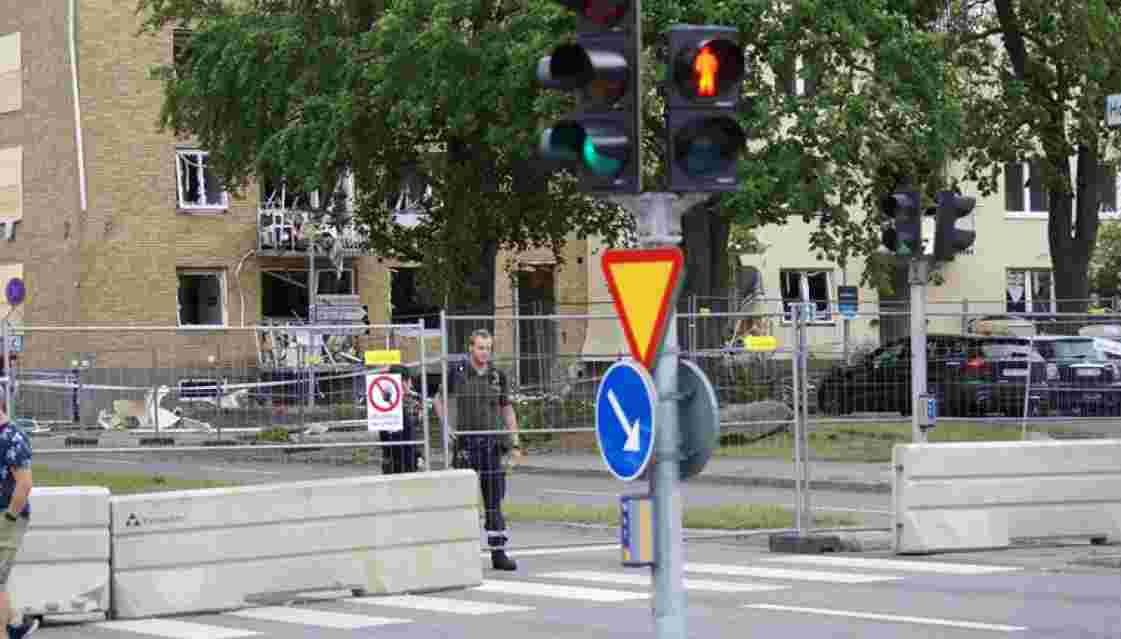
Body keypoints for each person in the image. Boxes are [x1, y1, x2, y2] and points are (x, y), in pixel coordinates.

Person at [434, 329, 522, 571]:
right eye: (480, 347)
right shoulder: (456, 372)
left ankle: (498, 553)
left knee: (494, 502)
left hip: (492, 446)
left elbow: (507, 409)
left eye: (488, 348)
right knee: (461, 501)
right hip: (465, 446)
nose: (484, 352)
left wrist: (515, 441)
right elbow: (439, 400)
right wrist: (447, 426)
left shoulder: (497, 376)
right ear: (470, 348)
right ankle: (460, 554)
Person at [0, 389, 35, 638]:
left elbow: (24, 484)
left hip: (8, 515)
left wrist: (9, 518)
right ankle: (13, 626)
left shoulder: (13, 437)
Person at [378, 364, 422, 474]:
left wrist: (419, 455)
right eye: (408, 380)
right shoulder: (390, 407)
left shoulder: (412, 402)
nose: (410, 384)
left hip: (404, 460)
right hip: (398, 462)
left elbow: (415, 433)